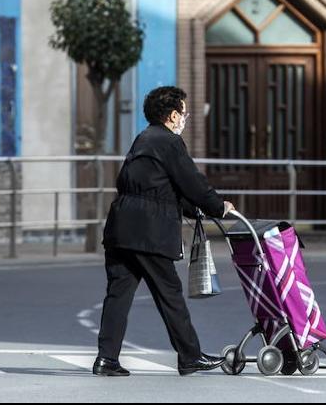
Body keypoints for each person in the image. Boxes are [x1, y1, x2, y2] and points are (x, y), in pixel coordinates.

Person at [94, 86, 235, 377]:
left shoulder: (143, 139)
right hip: (149, 230)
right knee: (169, 293)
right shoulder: (169, 142)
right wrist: (217, 206)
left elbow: (156, 186)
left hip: (121, 227)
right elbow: (191, 182)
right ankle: (190, 356)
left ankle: (106, 359)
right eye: (184, 112)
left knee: (118, 294)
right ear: (173, 115)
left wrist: (190, 208)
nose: (186, 118)